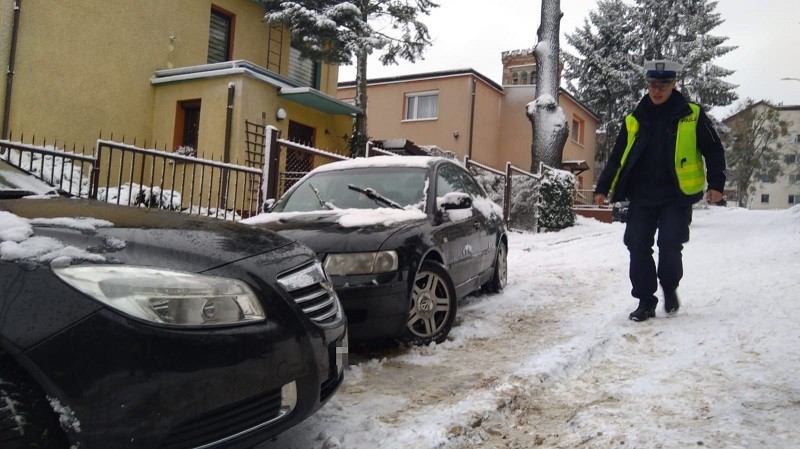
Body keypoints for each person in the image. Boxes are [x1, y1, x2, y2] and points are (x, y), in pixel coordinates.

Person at [593, 59, 726, 322]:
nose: (657, 90)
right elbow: (617, 156)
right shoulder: (634, 119)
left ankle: (669, 285)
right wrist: (603, 187)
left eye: (663, 84)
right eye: (653, 84)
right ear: (648, 85)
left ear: (673, 84)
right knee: (636, 243)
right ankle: (645, 300)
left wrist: (717, 185)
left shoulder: (692, 114)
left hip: (676, 196)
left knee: (669, 243)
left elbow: (713, 150)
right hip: (642, 195)